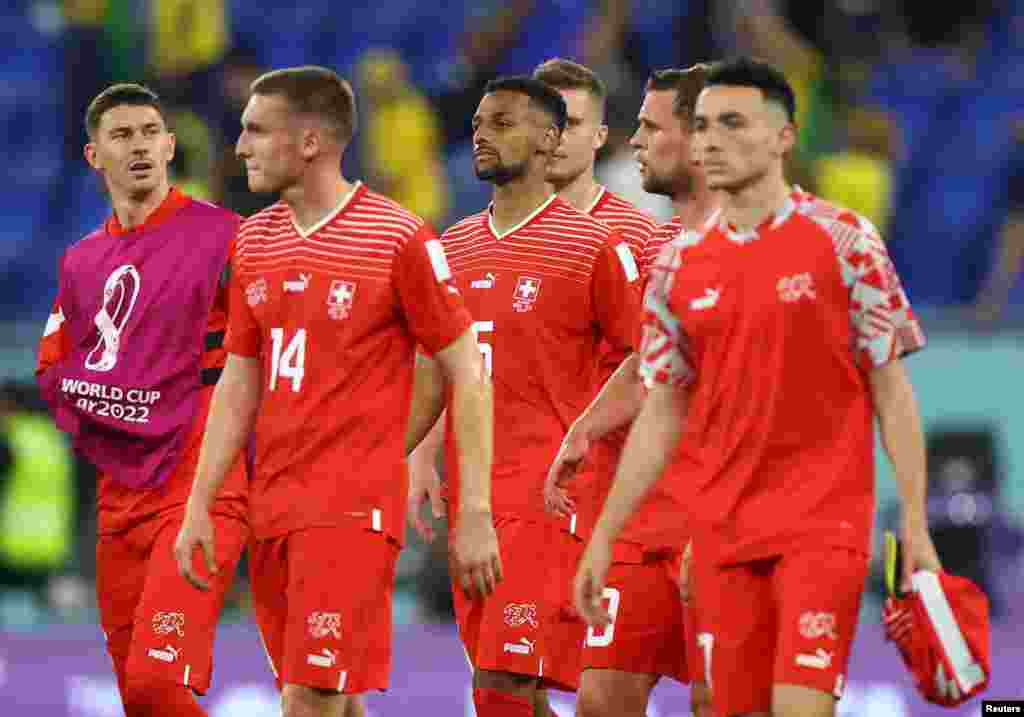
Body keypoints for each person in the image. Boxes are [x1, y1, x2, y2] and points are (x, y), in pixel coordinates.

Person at [573, 56, 943, 717]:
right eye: (705, 126)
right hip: (720, 535)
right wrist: (606, 531)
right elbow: (662, 413)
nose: (711, 141)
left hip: (819, 530)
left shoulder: (846, 240)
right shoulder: (679, 265)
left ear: (783, 137)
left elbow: (891, 389)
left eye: (733, 124)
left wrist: (915, 518)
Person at [172, 66, 499, 717]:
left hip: (350, 509)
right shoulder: (254, 240)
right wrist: (201, 501)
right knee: (332, 693)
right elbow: (241, 376)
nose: (240, 147)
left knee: (308, 696)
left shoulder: (397, 237)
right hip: (275, 503)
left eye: (258, 130)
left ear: (312, 140)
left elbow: (465, 365)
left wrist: (474, 508)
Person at [415, 75, 643, 717]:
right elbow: (437, 366)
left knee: (503, 685)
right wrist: (414, 456)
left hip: (547, 498)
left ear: (551, 139)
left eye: (504, 123)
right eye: (480, 123)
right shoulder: (449, 247)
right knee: (514, 687)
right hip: (472, 497)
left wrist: (592, 442)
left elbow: (647, 361)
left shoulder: (596, 246)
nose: (482, 135)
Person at [36, 83, 249, 716]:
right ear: (93, 155)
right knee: (141, 698)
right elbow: (55, 370)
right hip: (119, 502)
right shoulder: (82, 261)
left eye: (151, 132)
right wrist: (120, 408)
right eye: (122, 135)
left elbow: (268, 352)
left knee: (158, 680)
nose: (140, 146)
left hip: (199, 495)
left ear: (171, 145)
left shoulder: (224, 238)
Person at [544, 65, 717, 717]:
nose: (636, 142)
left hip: (721, 519)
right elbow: (650, 362)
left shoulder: (770, 244)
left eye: (650, 126)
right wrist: (585, 428)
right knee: (601, 698)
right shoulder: (663, 250)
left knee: (719, 698)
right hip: (643, 521)